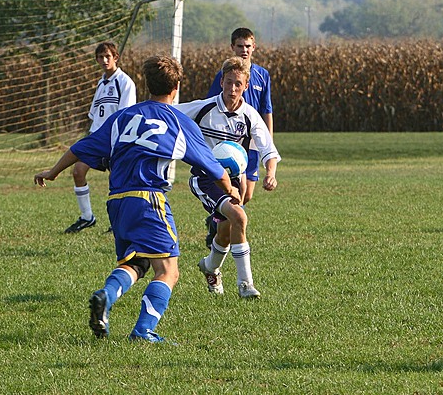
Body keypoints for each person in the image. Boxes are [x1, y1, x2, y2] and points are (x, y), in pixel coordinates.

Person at [34, 55, 239, 343]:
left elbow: (81, 147)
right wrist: (230, 188)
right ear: (176, 86)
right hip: (149, 198)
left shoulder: (123, 117)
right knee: (168, 270)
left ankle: (105, 295)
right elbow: (213, 167)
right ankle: (143, 331)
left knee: (137, 262)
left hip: (117, 201)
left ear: (146, 84)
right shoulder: (178, 122)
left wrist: (54, 171)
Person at [175, 56, 280, 299]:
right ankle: (245, 285)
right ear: (221, 82)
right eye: (229, 82)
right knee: (240, 217)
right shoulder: (204, 108)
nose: (232, 89)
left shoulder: (250, 116)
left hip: (233, 183)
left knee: (226, 230)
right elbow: (169, 112)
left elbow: (268, 149)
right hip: (204, 179)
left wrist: (271, 174)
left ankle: (210, 267)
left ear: (245, 86)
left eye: (238, 84)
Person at [204, 27, 273, 247]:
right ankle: (223, 223)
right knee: (237, 192)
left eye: (248, 46)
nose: (244, 50)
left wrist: (268, 139)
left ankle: (218, 220)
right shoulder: (224, 75)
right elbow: (212, 105)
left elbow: (266, 109)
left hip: (251, 139)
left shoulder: (262, 75)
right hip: (230, 140)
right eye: (240, 46)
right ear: (232, 47)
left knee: (248, 194)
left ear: (254, 48)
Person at [64, 41, 136, 233]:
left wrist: (118, 141)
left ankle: (118, 222)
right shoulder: (101, 83)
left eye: (108, 56)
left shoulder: (125, 82)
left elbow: (125, 115)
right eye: (100, 57)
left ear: (116, 58)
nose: (104, 60)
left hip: (114, 139)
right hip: (97, 138)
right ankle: (87, 217)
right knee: (78, 171)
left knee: (117, 181)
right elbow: (94, 113)